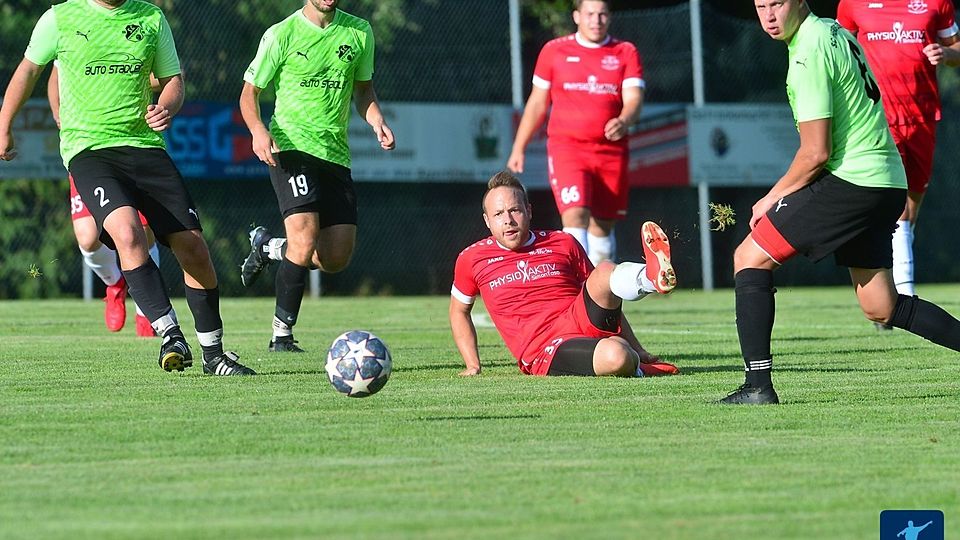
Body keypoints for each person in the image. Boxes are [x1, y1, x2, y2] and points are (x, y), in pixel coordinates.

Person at [721, 0, 960, 404]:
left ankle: (757, 386)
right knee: (881, 305)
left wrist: (771, 198)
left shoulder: (810, 49)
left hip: (854, 181)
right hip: (886, 181)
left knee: (749, 257)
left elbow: (816, 153)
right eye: (761, 6)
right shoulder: (833, 30)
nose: (769, 16)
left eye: (777, 3)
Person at [0, 0, 254, 376]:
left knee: (194, 248)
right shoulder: (60, 17)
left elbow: (173, 80)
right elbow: (29, 71)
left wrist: (167, 105)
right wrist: (5, 125)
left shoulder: (151, 18)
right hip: (89, 151)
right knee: (128, 234)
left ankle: (213, 354)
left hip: (145, 149)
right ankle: (170, 334)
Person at [239, 0, 395, 353]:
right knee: (305, 234)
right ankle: (281, 334)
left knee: (335, 258)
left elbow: (364, 89)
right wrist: (258, 130)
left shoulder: (359, 31)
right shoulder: (281, 33)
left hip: (335, 154)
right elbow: (250, 94)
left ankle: (267, 247)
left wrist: (377, 120)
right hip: (290, 147)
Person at [449, 171, 678, 378]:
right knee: (616, 355)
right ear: (487, 221)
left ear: (528, 211)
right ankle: (632, 362)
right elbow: (459, 311)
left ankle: (650, 278)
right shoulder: (472, 258)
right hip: (545, 346)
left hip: (580, 318)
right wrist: (473, 364)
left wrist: (638, 347)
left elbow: (609, 296)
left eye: (514, 210)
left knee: (605, 270)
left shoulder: (561, 241)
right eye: (498, 214)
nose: (508, 220)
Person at [837, 0, 960, 305]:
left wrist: (946, 54)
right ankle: (900, 297)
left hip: (923, 118)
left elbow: (958, 51)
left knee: (910, 208)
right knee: (895, 208)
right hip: (876, 119)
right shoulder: (852, 4)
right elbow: (839, 51)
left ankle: (891, 287)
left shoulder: (935, 3)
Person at [506, 0, 643, 267]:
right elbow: (537, 103)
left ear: (610, 17)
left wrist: (624, 120)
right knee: (575, 214)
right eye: (590, 14)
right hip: (567, 148)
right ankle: (577, 289)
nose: (596, 20)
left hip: (611, 151)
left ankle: (602, 292)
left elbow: (634, 99)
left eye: (602, 14)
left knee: (602, 225)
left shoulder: (624, 52)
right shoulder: (555, 51)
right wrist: (519, 145)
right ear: (577, 16)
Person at [49, 63, 159, 338]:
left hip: (134, 143)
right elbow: (56, 74)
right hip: (86, 148)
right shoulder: (75, 25)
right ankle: (116, 283)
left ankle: (149, 310)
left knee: (142, 231)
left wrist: (115, 82)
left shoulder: (145, 22)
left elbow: (172, 76)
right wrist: (58, 112)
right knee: (87, 237)